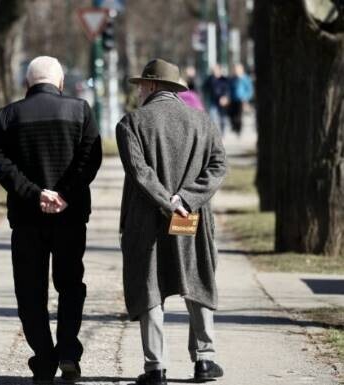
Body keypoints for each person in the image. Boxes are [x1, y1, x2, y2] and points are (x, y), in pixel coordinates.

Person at [0, 56, 102, 384]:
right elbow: (90, 159)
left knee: (30, 289)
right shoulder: (80, 110)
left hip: (26, 217)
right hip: (70, 216)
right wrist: (64, 194)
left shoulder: (8, 116)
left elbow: (0, 162)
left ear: (27, 84)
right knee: (70, 285)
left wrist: (34, 193)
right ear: (61, 83)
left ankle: (43, 357)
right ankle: (68, 350)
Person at [116, 58, 227, 385]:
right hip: (191, 217)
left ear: (151, 86)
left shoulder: (131, 123)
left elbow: (140, 173)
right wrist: (186, 200)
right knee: (196, 279)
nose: (138, 91)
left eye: (140, 85)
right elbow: (218, 167)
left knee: (150, 286)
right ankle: (205, 360)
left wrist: (167, 202)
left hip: (145, 220)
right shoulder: (202, 121)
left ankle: (156, 367)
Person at [203, 64, 230, 134]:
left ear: (220, 70)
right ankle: (214, 132)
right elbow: (204, 88)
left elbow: (228, 90)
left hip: (222, 101)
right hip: (213, 101)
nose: (215, 71)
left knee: (222, 117)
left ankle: (223, 132)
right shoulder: (210, 79)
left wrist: (225, 97)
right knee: (212, 116)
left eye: (216, 70)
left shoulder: (224, 79)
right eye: (213, 70)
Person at [228, 63, 253, 136]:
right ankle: (234, 127)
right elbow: (229, 89)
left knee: (238, 115)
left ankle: (238, 129)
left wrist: (246, 98)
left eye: (238, 69)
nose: (236, 71)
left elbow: (250, 90)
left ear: (242, 70)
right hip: (233, 99)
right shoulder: (232, 79)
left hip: (241, 100)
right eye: (235, 70)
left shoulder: (246, 79)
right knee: (231, 114)